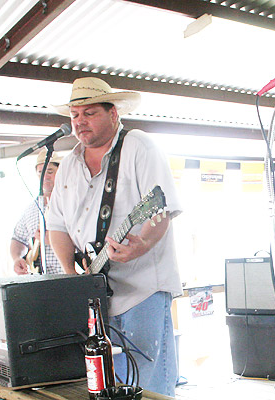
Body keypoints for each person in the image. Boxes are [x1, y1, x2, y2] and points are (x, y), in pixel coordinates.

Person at [47, 77, 181, 396]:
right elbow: (57, 226)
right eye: (75, 115)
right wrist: (71, 275)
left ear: (114, 114)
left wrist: (143, 243)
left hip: (142, 288)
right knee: (107, 381)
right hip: (94, 292)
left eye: (89, 113)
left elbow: (161, 209)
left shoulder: (138, 146)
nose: (80, 121)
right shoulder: (67, 166)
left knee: (148, 382)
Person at [10, 150, 64, 275]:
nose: (45, 176)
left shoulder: (72, 203)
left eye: (50, 171)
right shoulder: (31, 209)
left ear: (60, 172)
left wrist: (54, 240)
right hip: (40, 283)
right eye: (41, 172)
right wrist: (17, 258)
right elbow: (18, 238)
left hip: (69, 279)